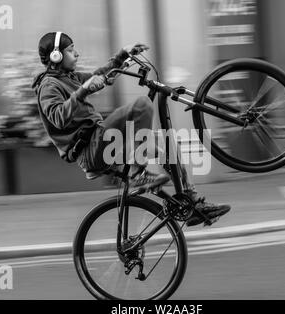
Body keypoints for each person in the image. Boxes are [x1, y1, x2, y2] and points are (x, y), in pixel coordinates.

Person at [32, 32, 231, 226]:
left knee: (168, 144)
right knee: (142, 105)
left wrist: (122, 55)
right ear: (55, 56)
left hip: (102, 142)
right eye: (70, 50)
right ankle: (138, 172)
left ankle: (192, 203)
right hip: (89, 149)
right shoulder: (49, 86)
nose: (76, 54)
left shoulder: (70, 77)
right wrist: (83, 91)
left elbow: (101, 75)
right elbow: (58, 118)